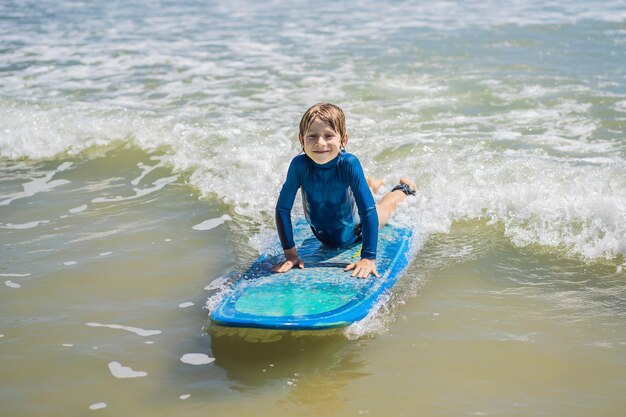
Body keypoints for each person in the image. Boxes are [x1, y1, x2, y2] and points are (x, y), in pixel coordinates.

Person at [272, 103, 416, 278]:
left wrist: (368, 258)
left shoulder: (349, 164)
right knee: (361, 192)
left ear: (343, 140)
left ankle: (405, 188)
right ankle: (369, 184)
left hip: (358, 230)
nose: (320, 142)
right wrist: (290, 255)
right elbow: (282, 209)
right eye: (312, 136)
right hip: (323, 235)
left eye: (328, 135)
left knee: (383, 209)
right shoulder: (298, 166)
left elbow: (368, 210)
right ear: (302, 139)